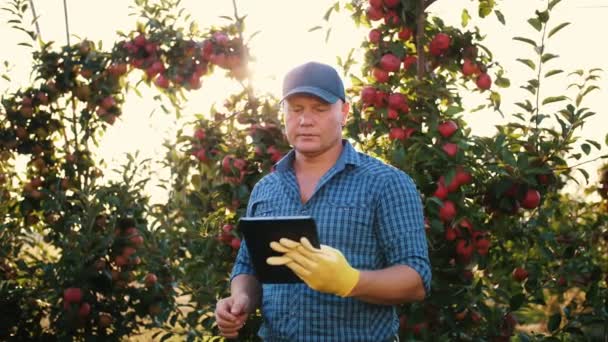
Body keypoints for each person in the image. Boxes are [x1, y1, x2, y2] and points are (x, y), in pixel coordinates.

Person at [214, 61, 430, 341]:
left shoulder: (387, 183)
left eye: (320, 108)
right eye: (296, 109)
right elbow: (248, 266)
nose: (306, 120)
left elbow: (416, 279)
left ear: (344, 111)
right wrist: (240, 299)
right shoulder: (266, 189)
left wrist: (350, 281)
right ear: (284, 114)